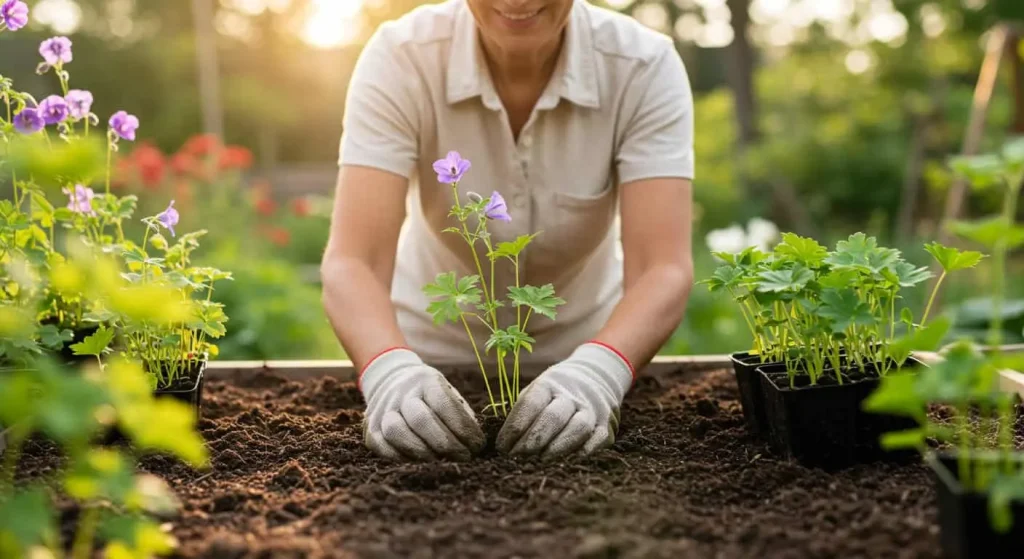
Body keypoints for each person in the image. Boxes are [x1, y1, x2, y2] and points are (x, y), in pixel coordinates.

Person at [321, 0, 694, 462]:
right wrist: (389, 371)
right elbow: (353, 261)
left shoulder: (642, 66)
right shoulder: (403, 56)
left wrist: (599, 372)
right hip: (427, 364)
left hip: (586, 360)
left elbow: (662, 267)